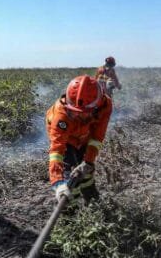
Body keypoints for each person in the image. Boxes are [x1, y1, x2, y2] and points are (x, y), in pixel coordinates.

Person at [46, 75, 112, 203]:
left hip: (85, 135)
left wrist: (88, 161)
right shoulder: (61, 115)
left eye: (82, 112)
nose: (77, 115)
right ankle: (71, 208)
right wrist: (58, 183)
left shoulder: (105, 105)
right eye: (74, 111)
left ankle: (91, 199)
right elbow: (57, 150)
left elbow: (97, 137)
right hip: (66, 137)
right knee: (68, 171)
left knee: (86, 171)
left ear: (96, 107)